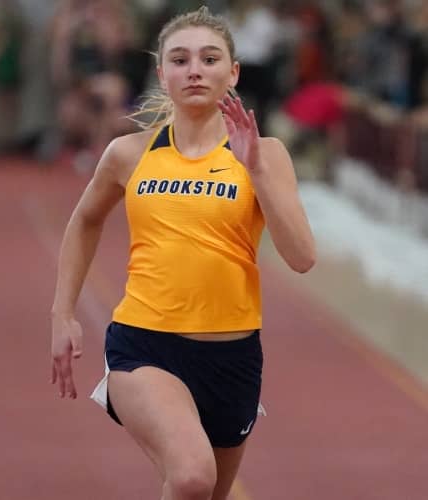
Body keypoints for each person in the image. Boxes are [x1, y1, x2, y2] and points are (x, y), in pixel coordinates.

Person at [51, 6, 316, 500]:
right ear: (161, 74)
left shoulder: (267, 154)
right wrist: (62, 313)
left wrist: (256, 171)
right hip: (144, 345)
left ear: (232, 73)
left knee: (205, 492)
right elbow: (85, 220)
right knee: (193, 477)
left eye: (209, 59)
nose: (194, 69)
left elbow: (301, 257)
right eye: (180, 59)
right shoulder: (129, 153)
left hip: (233, 356)